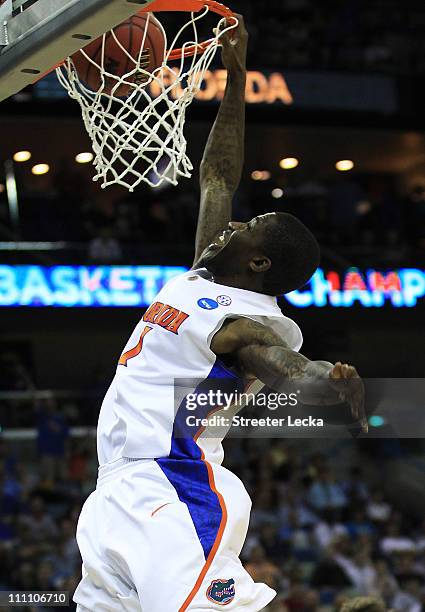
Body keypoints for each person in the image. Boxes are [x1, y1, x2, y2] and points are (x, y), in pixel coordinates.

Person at [73, 15, 367, 612]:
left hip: (174, 486)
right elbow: (216, 175)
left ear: (256, 263)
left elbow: (280, 361)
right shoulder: (201, 277)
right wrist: (235, 75)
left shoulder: (242, 321)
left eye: (248, 227)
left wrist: (323, 378)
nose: (234, 221)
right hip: (116, 489)